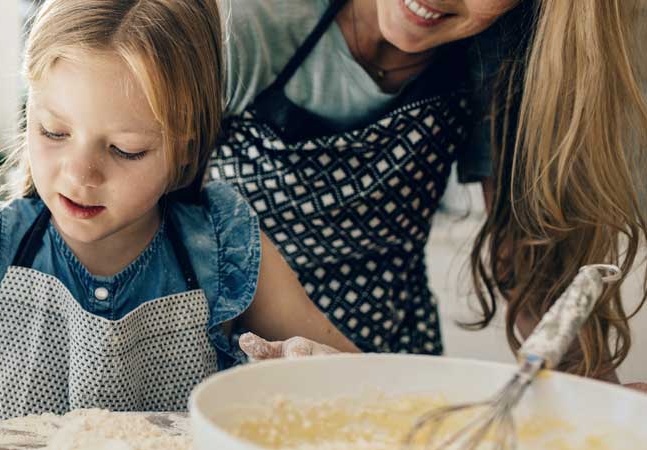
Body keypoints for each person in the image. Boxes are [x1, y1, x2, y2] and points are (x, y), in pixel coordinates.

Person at [0, 0, 358, 425]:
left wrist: (313, 374)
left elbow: (370, 382)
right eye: (53, 131)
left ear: (186, 144)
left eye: (125, 149)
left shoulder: (224, 244)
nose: (79, 174)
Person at [209, 0, 647, 387]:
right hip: (249, 359)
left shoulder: (497, 57)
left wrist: (598, 396)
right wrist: (349, 375)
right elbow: (163, 219)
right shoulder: (246, 20)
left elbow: (527, 260)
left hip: (398, 352)